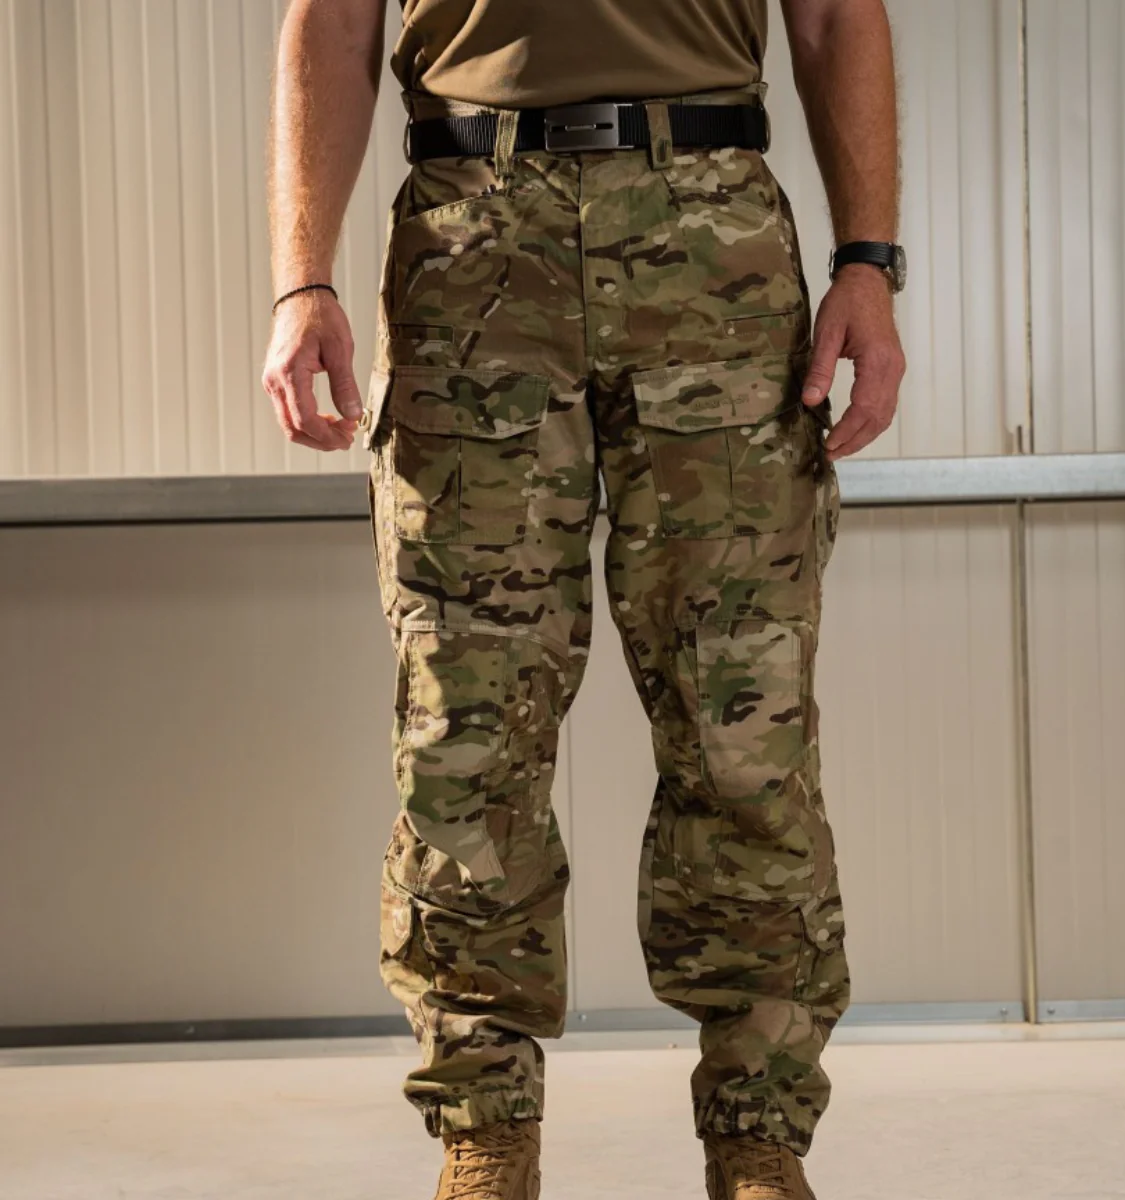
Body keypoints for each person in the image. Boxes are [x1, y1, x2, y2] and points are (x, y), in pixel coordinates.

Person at [262, 2, 905, 1196]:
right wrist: (301, 280)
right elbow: (333, 24)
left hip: (711, 234)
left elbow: (831, 16)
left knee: (743, 726)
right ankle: (485, 1131)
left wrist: (868, 261)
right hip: (473, 237)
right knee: (465, 727)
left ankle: (757, 1136)